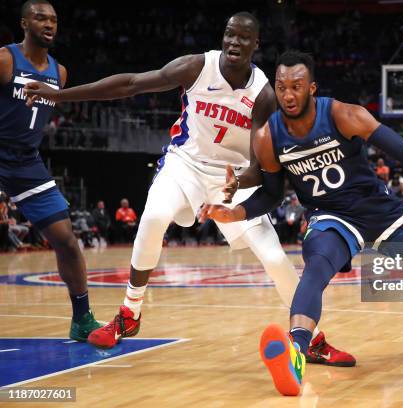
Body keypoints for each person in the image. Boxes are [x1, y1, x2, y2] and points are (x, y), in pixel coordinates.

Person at [25, 13, 354, 365]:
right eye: (229, 34)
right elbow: (132, 83)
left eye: (243, 38)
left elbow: (261, 160)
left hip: (234, 178)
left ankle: (312, 340)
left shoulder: (263, 94)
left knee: (274, 258)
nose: (234, 43)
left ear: (256, 45)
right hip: (186, 165)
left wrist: (239, 183)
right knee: (153, 217)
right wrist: (60, 97)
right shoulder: (197, 66)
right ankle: (129, 313)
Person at [202, 51, 403, 396]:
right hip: (330, 217)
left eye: (296, 87)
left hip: (379, 211)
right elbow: (271, 195)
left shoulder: (345, 115)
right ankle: (296, 352)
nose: (288, 95)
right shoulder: (267, 137)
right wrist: (236, 212)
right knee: (315, 268)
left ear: (311, 88)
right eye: (282, 87)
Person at [0, 0, 101, 339]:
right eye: (41, 17)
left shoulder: (59, 73)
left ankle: (81, 319)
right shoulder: (5, 58)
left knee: (67, 241)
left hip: (26, 161)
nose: (49, 24)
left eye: (54, 19)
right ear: (24, 22)